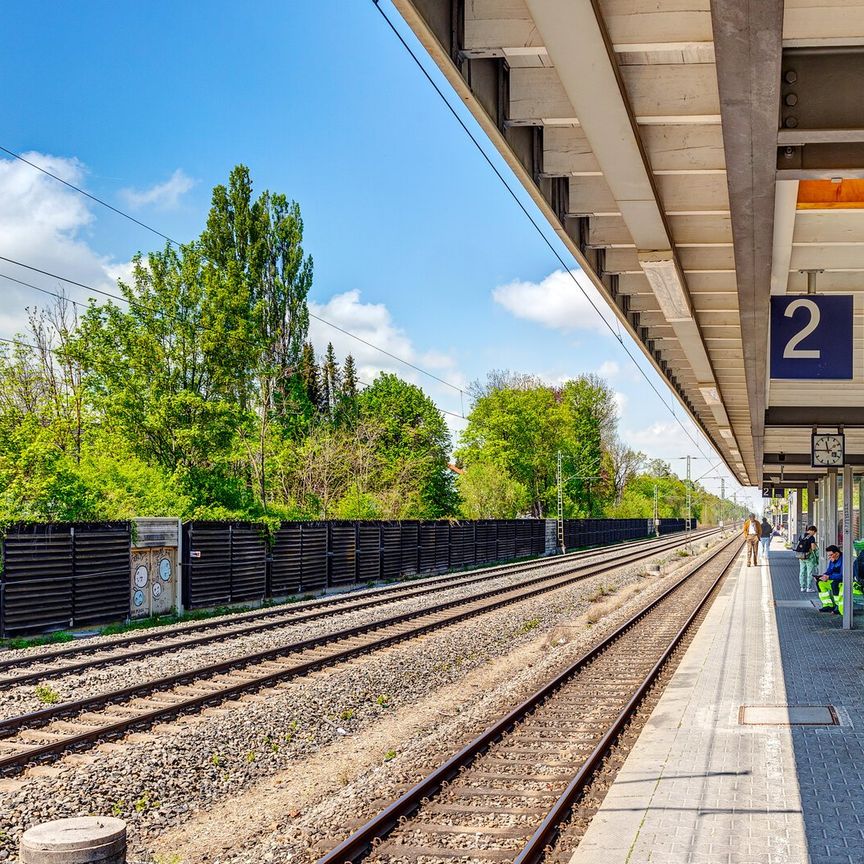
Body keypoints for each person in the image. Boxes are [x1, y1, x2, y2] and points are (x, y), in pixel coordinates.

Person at [817, 545, 843, 615]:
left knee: (834, 584)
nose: (829, 557)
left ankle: (838, 606)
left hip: (843, 581)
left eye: (831, 555)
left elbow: (842, 575)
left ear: (837, 553)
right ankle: (828, 605)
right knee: (820, 582)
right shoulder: (832, 560)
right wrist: (823, 576)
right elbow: (829, 571)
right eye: (828, 555)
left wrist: (829, 577)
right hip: (833, 579)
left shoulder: (844, 560)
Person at [795, 525, 818, 593]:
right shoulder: (811, 537)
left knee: (802, 571)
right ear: (813, 531)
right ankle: (809, 588)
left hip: (801, 556)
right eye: (815, 532)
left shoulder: (802, 535)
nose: (814, 534)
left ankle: (802, 587)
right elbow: (813, 548)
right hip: (809, 557)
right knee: (809, 572)